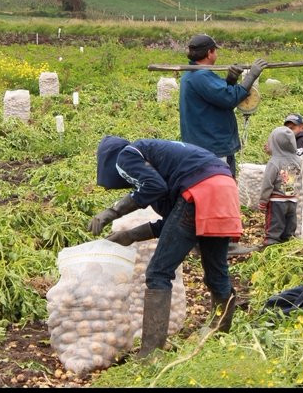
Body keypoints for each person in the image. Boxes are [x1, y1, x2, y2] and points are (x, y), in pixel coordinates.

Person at [88, 136, 243, 357]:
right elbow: (174, 222)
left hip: (199, 189)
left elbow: (155, 187)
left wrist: (111, 212)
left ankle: (150, 354)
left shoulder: (126, 155)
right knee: (216, 271)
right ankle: (219, 333)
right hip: (224, 187)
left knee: (158, 272)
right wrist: (130, 235)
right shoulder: (167, 169)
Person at [178, 33, 267, 179]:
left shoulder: (192, 74)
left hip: (202, 144)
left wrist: (230, 80)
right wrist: (251, 76)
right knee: (219, 185)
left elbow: (218, 97)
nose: (216, 54)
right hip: (212, 147)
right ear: (209, 53)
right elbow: (230, 98)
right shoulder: (201, 76)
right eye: (215, 51)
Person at [258, 126, 302, 245]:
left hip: (276, 202)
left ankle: (270, 243)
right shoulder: (297, 160)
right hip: (292, 201)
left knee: (274, 225)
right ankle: (288, 245)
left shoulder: (274, 162)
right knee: (289, 227)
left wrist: (263, 201)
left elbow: (268, 183)